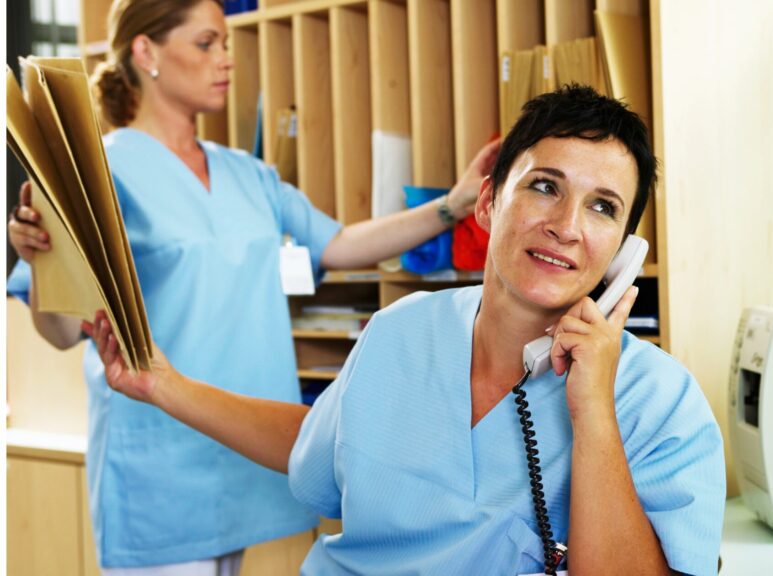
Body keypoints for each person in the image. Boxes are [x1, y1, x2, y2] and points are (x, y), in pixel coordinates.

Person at [85, 85, 727, 576]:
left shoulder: (659, 402)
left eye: (602, 206)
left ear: (622, 250)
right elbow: (316, 447)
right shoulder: (398, 333)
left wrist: (591, 410)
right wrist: (161, 384)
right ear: (486, 202)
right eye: (543, 186)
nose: (566, 224)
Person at [5, 0, 499, 573]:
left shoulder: (249, 173)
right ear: (146, 52)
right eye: (206, 43)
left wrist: (454, 204)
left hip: (248, 447)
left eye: (226, 43)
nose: (226, 59)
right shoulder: (99, 172)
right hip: (161, 465)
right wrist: (42, 261)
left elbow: (339, 245)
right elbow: (63, 331)